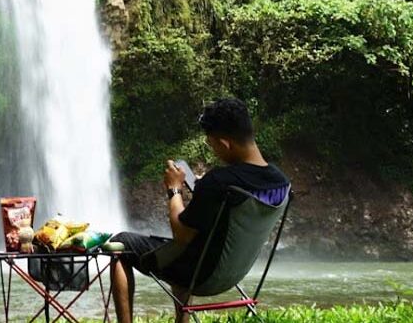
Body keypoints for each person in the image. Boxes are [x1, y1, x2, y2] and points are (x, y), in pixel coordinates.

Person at [108, 98, 290, 323]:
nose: (213, 150)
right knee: (188, 247)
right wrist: (204, 191)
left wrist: (174, 189)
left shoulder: (220, 182)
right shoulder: (281, 181)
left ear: (225, 144)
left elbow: (182, 234)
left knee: (121, 244)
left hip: (201, 275)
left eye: (212, 145)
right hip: (235, 272)